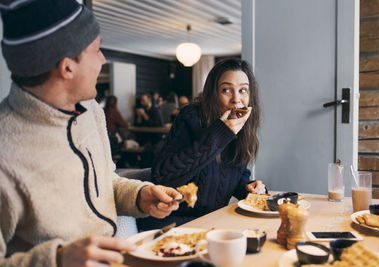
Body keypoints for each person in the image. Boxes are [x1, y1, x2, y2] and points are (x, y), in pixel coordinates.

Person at [0, 1, 181, 266]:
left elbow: (106, 182)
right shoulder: (5, 151)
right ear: (67, 68)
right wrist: (58, 260)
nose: (103, 60)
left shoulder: (91, 110)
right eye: (97, 49)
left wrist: (139, 196)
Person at [137, 58, 266, 231]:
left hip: (213, 224)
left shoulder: (241, 127)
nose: (236, 99)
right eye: (226, 90)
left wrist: (249, 187)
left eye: (243, 90)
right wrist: (219, 134)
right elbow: (162, 176)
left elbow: (235, 174)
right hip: (171, 224)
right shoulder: (191, 117)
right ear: (214, 94)